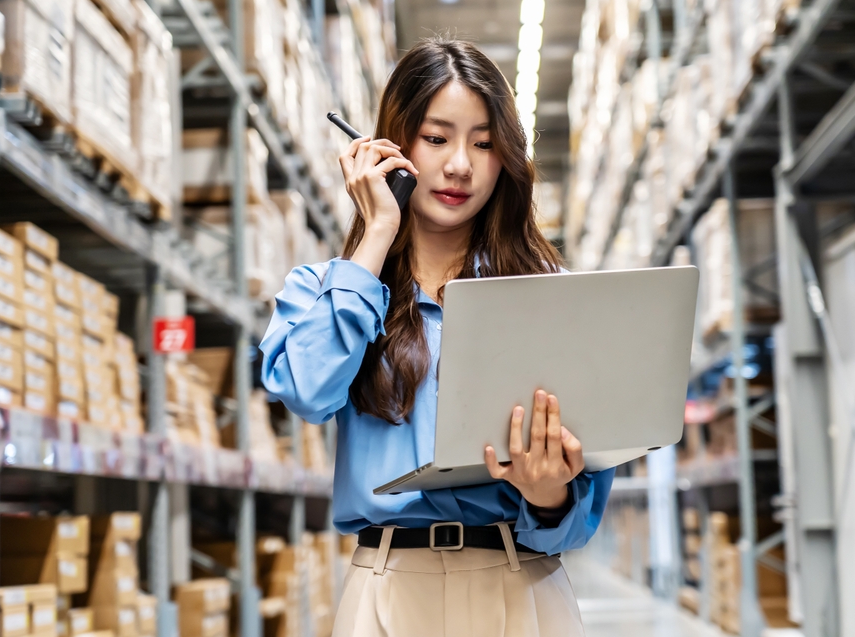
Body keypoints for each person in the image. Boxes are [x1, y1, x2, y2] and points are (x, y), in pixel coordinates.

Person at [260, 37, 615, 637]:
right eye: (436, 138)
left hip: (521, 585)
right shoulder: (326, 288)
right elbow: (307, 391)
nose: (460, 165)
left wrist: (550, 494)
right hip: (386, 589)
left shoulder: (548, 294)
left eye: (484, 143)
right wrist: (376, 236)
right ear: (390, 146)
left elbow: (583, 511)